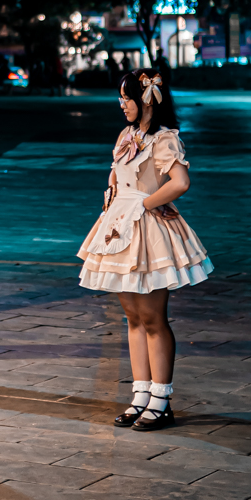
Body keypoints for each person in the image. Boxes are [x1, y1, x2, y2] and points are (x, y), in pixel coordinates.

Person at [78, 66, 212, 429]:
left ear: (146, 99)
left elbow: (181, 181)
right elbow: (115, 172)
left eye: (126, 99)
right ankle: (140, 396)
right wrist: (112, 199)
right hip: (120, 229)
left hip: (147, 231)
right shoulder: (127, 134)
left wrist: (145, 204)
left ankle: (162, 400)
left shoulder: (165, 138)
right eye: (120, 99)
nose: (122, 105)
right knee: (134, 318)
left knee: (153, 319)